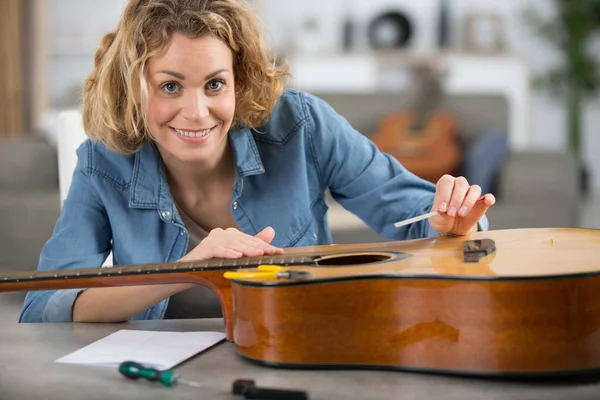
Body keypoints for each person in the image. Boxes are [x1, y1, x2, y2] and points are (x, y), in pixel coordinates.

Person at [19, 0, 495, 324]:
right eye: (169, 86)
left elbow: (420, 219)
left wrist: (454, 222)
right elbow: (45, 305)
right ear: (135, 86)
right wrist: (183, 269)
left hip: (298, 357)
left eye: (214, 84)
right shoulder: (103, 162)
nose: (196, 111)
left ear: (238, 80)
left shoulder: (301, 124)